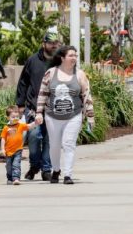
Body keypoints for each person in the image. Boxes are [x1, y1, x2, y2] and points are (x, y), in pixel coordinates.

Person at [35, 45, 94, 185]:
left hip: (74, 115)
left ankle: (68, 174)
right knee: (54, 145)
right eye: (71, 55)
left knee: (68, 144)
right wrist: (39, 113)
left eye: (75, 55)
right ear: (62, 58)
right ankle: (56, 170)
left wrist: (90, 116)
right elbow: (42, 94)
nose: (74, 58)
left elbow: (86, 95)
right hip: (52, 115)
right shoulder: (51, 73)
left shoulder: (79, 74)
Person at [16, 32, 60, 181]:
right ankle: (34, 165)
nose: (54, 45)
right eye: (51, 43)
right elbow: (23, 82)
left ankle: (46, 169)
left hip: (53, 108)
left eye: (56, 43)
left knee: (50, 138)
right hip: (33, 107)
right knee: (34, 136)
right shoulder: (32, 60)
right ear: (44, 44)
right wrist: (20, 104)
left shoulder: (60, 61)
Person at [0, 106, 39, 185]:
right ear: (8, 118)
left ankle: (16, 178)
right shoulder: (6, 128)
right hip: (8, 151)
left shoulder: (20, 125)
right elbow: (3, 139)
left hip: (18, 150)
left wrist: (36, 123)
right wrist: (2, 149)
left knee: (16, 164)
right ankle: (10, 178)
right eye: (13, 117)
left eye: (17, 117)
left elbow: (29, 126)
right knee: (9, 166)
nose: (15, 118)